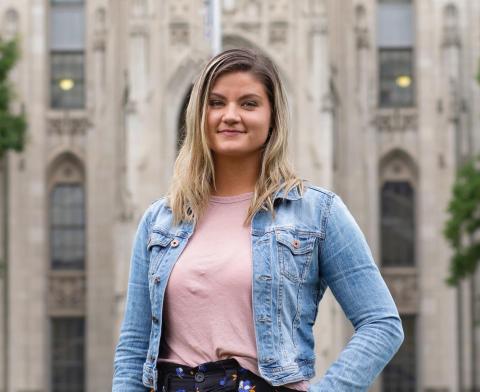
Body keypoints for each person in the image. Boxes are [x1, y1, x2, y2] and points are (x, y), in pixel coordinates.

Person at [112, 48, 404, 392]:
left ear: (273, 118)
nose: (230, 116)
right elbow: (133, 350)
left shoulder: (317, 212)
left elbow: (381, 323)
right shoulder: (160, 221)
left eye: (249, 104)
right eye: (216, 103)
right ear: (198, 116)